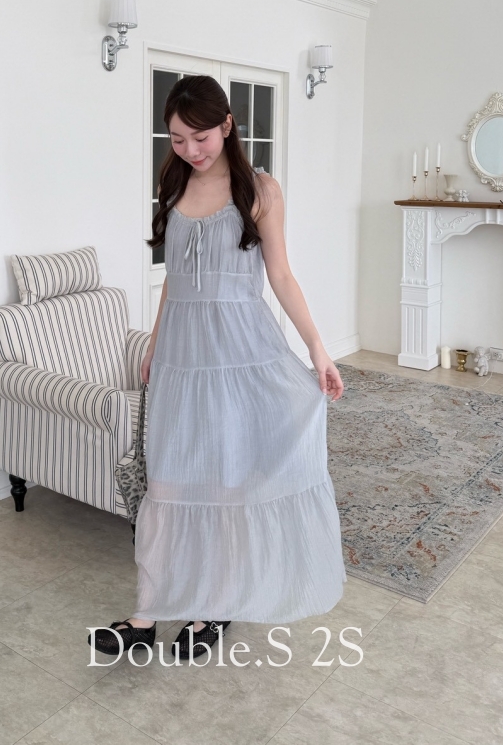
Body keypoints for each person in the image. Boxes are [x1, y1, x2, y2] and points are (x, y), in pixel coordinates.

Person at [91, 75, 347, 661]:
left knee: (227, 482)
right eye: (178, 139)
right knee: (167, 482)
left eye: (200, 137)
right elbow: (173, 279)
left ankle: (213, 607)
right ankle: (145, 614)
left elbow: (280, 275)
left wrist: (317, 348)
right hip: (181, 357)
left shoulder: (261, 190)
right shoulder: (174, 181)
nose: (190, 150)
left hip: (240, 352)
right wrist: (155, 344)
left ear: (227, 125)